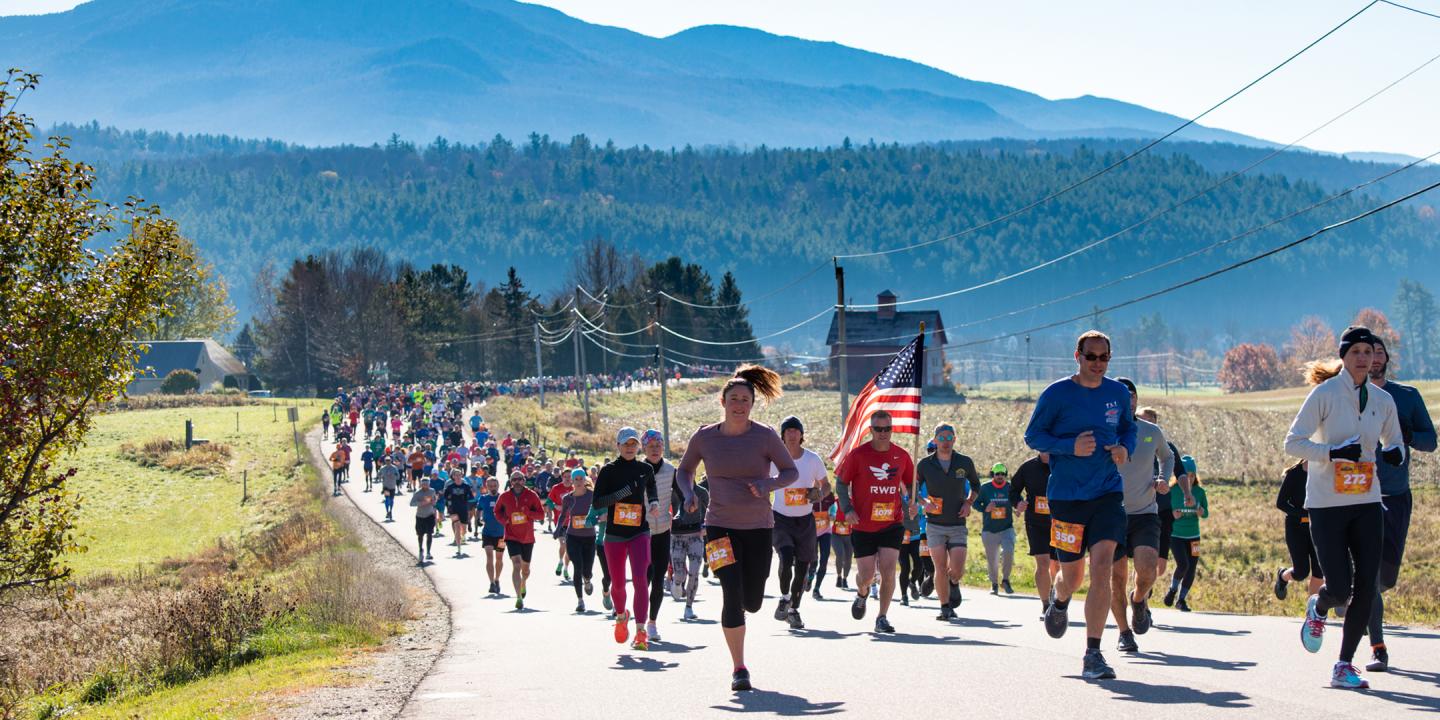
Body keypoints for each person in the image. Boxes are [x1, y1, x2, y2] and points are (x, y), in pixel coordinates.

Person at [1284, 326, 1404, 689]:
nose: (1364, 358)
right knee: (1340, 587)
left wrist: (1394, 452)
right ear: (1344, 357)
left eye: (1369, 352)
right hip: (1326, 504)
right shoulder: (1325, 394)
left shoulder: (1382, 401)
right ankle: (1320, 607)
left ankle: (1343, 665)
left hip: (1367, 501)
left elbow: (1393, 440)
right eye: (1356, 353)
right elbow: (1293, 444)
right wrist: (1333, 453)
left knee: (1367, 585)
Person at [674, 365, 798, 691]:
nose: (739, 404)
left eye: (745, 399)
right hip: (718, 527)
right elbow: (685, 471)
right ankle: (739, 668)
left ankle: (746, 607)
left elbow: (790, 473)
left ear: (752, 404)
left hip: (758, 527)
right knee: (731, 591)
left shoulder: (766, 436)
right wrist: (688, 495)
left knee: (753, 600)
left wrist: (767, 483)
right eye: (734, 399)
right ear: (723, 401)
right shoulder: (704, 437)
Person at [1023, 330, 1136, 680]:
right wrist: (1070, 446)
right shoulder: (1057, 394)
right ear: (1078, 356)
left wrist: (1124, 449)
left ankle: (1093, 653)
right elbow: (1033, 436)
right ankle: (1059, 601)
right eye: (1091, 357)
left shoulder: (1117, 393)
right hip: (1067, 496)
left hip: (1107, 492)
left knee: (1102, 567)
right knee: (1072, 576)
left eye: (1104, 358)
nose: (1098, 364)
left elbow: (1129, 430)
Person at [1363, 338, 1435, 672]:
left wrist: (1408, 436)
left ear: (1386, 358)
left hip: (1396, 495)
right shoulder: (1348, 396)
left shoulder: (1406, 396)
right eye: (1366, 353)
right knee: (1368, 575)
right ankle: (1378, 647)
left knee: (1386, 580)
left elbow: (1430, 441)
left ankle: (1349, 595)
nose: (1373, 358)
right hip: (1359, 496)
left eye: (1378, 353)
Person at [1109, 378, 1180, 653]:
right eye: (1121, 396)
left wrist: (1163, 478)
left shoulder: (1151, 431)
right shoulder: (1106, 431)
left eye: (1131, 395)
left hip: (1144, 512)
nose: (1127, 400)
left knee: (1148, 568)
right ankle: (1124, 633)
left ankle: (1138, 600)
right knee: (1115, 577)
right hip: (1112, 513)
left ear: (1137, 400)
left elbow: (1168, 456)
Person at [836, 409, 916, 635]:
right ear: (871, 430)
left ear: (892, 429)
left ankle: (882, 617)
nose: (883, 433)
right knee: (867, 576)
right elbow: (841, 484)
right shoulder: (858, 455)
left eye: (887, 429)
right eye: (878, 429)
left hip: (892, 522)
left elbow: (910, 483)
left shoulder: (902, 456)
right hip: (863, 525)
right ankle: (862, 593)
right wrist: (847, 508)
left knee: (889, 569)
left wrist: (912, 500)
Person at [593, 427, 660, 649]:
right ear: (618, 446)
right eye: (626, 444)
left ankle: (641, 631)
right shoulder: (608, 471)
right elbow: (598, 503)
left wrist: (654, 503)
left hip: (639, 532)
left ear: (638, 446)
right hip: (614, 535)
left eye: (633, 444)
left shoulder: (645, 468)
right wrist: (622, 493)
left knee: (641, 580)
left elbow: (651, 488)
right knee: (619, 583)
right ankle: (621, 616)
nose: (630, 448)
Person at [915, 422, 977, 619]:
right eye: (941, 438)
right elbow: (912, 488)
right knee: (940, 567)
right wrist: (924, 503)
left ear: (954, 439)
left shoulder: (964, 462)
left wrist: (968, 503)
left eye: (949, 438)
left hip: (957, 524)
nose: (945, 442)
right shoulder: (925, 464)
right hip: (934, 524)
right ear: (935, 440)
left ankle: (953, 583)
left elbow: (976, 486)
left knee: (956, 569)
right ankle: (944, 607)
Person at [768, 416, 825, 630]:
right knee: (786, 555)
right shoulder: (774, 461)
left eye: (796, 430)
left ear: (801, 435)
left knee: (802, 567)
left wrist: (820, 493)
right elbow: (762, 483)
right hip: (781, 518)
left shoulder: (812, 459)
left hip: (805, 521)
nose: (792, 434)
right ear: (782, 435)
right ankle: (784, 597)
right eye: (788, 431)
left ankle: (793, 610)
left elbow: (825, 484)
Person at [641, 429, 678, 642]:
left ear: (663, 447)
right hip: (641, 533)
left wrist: (683, 511)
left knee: (657, 578)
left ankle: (652, 623)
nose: (655, 450)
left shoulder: (671, 470)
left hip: (663, 531)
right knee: (643, 579)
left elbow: (682, 494)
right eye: (651, 446)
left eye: (658, 446)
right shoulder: (636, 470)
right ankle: (639, 620)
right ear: (644, 449)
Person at [1012, 452, 1058, 615]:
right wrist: (1018, 502)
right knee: (1043, 563)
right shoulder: (1028, 467)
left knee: (1057, 565)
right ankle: (1046, 603)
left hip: (1060, 523)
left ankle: (1056, 596)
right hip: (1035, 523)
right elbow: (1013, 489)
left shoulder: (1063, 463)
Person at [494, 470, 545, 609]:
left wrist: (528, 512)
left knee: (525, 570)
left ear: (524, 480)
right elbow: (497, 511)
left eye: (520, 479)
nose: (517, 482)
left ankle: (523, 582)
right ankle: (518, 598)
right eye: (514, 479)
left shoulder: (532, 495)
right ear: (511, 482)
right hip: (511, 536)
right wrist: (505, 521)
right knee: (516, 564)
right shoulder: (505, 496)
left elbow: (541, 515)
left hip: (528, 537)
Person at [1274, 459, 1323, 602]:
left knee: (1319, 571)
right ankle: (1283, 576)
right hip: (1296, 527)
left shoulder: (1324, 472)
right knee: (1301, 572)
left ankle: (1312, 613)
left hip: (1319, 527)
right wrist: (1303, 513)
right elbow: (1281, 503)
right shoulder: (1294, 474)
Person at [1163, 456, 1206, 612]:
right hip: (1176, 535)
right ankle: (1172, 590)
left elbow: (1205, 512)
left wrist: (1201, 511)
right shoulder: (1172, 490)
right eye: (1186, 475)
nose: (1189, 478)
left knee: (1192, 568)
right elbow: (1164, 512)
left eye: (1192, 475)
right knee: (1183, 564)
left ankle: (1181, 600)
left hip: (1194, 536)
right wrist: (1173, 514)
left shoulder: (1199, 492)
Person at [670, 477, 710, 620]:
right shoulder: (673, 491)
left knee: (694, 572)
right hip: (677, 537)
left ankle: (689, 607)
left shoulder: (702, 492)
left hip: (696, 536)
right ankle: (677, 581)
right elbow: (665, 509)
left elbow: (709, 511)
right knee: (680, 574)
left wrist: (706, 525)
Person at [560, 468, 597, 613]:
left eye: (581, 478)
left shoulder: (593, 496)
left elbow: (600, 512)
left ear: (585, 480)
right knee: (578, 567)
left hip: (589, 537)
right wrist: (558, 530)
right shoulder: (567, 498)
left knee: (587, 570)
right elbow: (563, 516)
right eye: (576, 479)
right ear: (572, 482)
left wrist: (596, 519)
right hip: (573, 536)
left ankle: (587, 580)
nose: (579, 481)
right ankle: (580, 600)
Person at [977, 463, 1016, 595]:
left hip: (1006, 528)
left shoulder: (1010, 487)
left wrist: (1018, 507)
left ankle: (1005, 580)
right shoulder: (985, 488)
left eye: (1002, 474)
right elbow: (975, 503)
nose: (1000, 476)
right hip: (989, 530)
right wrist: (985, 508)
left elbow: (1018, 500)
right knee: (992, 559)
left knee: (1008, 552)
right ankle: (994, 584)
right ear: (992, 474)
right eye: (997, 474)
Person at [810, 477, 836, 601]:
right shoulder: (809, 493)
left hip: (825, 531)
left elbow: (833, 510)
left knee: (824, 559)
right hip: (812, 533)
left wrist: (832, 515)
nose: (818, 483)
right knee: (813, 561)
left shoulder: (829, 496)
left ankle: (817, 588)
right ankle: (810, 578)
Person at [443, 471, 475, 559]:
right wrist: (448, 500)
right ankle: (458, 547)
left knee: (463, 529)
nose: (457, 476)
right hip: (453, 509)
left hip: (463, 509)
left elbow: (471, 497)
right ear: (453, 476)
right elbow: (445, 496)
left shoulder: (466, 486)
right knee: (457, 525)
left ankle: (462, 536)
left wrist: (468, 497)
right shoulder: (450, 487)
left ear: (462, 476)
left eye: (459, 475)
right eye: (455, 475)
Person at [409, 480, 438, 565]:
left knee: (429, 533)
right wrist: (421, 503)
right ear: (421, 484)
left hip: (430, 515)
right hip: (420, 516)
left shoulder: (432, 491)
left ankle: (428, 552)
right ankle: (421, 550)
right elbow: (411, 503)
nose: (425, 485)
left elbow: (434, 500)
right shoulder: (418, 493)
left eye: (427, 484)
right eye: (423, 484)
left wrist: (433, 502)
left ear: (429, 484)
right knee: (420, 535)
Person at [379, 456, 400, 521]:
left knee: (391, 500)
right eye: (386, 460)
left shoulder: (394, 468)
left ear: (391, 461)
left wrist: (393, 476)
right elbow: (379, 475)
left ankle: (390, 511)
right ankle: (387, 511)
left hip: (392, 486)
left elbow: (398, 477)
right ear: (385, 461)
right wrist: (381, 476)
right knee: (387, 499)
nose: (388, 461)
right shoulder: (382, 468)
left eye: (389, 460)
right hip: (386, 486)